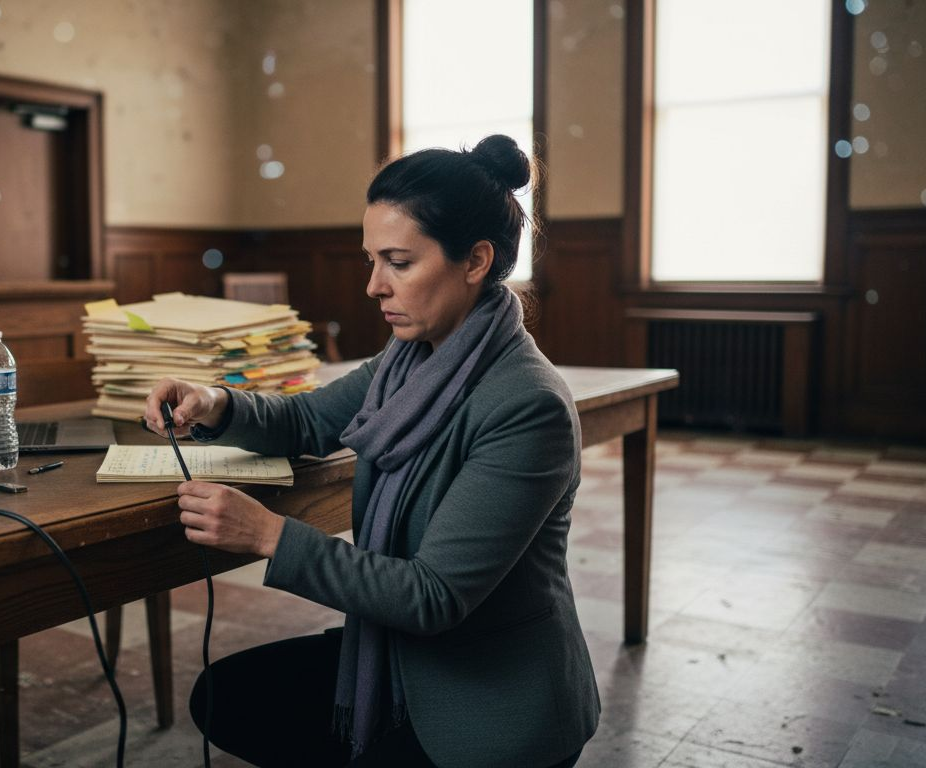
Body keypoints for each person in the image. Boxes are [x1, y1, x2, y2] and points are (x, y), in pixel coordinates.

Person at [144, 135, 598, 768]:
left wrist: (270, 535)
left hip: (491, 702)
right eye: (370, 261)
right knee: (226, 697)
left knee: (245, 704)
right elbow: (308, 418)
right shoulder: (410, 358)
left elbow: (433, 595)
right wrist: (213, 402)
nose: (374, 287)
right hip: (405, 659)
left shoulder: (528, 405)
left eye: (398, 262)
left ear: (475, 261)